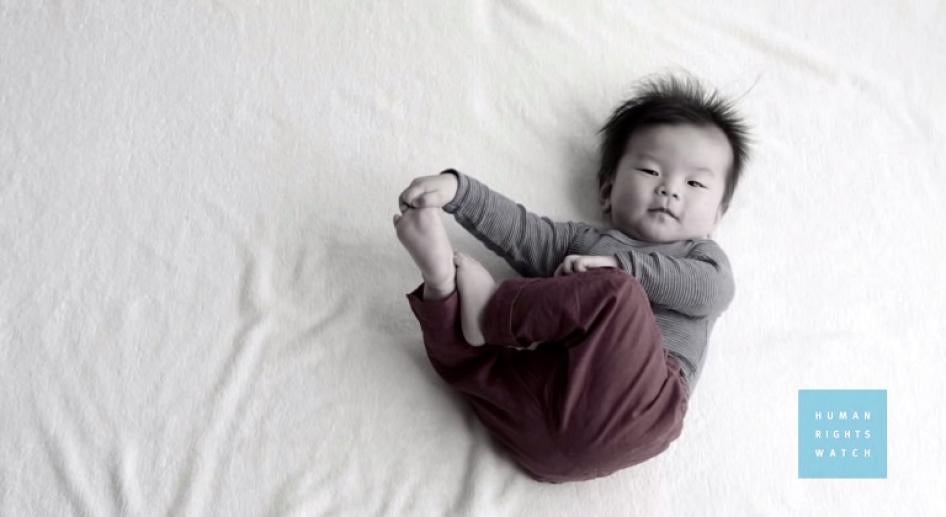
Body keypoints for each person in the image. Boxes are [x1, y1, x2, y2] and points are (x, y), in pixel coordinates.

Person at [393, 73, 751, 483]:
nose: (669, 189)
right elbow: (522, 231)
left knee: (617, 293)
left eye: (695, 182)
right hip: (543, 423)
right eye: (650, 171)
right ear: (607, 191)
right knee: (467, 364)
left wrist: (621, 267)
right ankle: (440, 281)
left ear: (717, 215)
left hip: (643, 408)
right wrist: (459, 192)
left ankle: (493, 310)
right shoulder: (582, 242)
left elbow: (712, 291)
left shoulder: (700, 257)